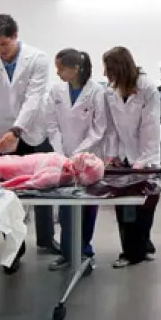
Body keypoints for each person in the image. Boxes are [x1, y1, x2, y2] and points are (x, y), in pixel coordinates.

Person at [0, 13, 57, 269]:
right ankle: (14, 248)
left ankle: (47, 240)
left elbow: (34, 98)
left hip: (31, 132)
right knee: (9, 194)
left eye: (4, 45)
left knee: (43, 189)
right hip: (2, 136)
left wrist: (17, 130)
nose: (0, 51)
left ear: (15, 36)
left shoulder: (37, 59)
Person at [42, 49, 107, 272]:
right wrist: (61, 153)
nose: (57, 72)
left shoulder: (96, 92)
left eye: (61, 68)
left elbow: (98, 129)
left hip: (88, 157)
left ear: (75, 68)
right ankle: (68, 252)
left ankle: (84, 251)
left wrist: (79, 153)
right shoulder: (56, 90)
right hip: (62, 155)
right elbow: (51, 124)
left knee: (87, 205)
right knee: (66, 205)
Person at [102, 46, 161, 268]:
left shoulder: (147, 89)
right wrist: (112, 155)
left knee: (146, 205)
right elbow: (111, 128)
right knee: (124, 206)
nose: (105, 74)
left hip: (146, 155)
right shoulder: (110, 91)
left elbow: (150, 127)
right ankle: (130, 252)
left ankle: (141, 245)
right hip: (122, 155)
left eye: (109, 69)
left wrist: (143, 161)